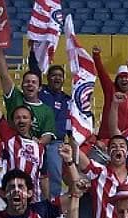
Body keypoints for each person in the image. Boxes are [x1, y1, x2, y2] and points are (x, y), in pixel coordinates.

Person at [0, 86, 47, 201]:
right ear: (13, 122)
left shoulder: (40, 148)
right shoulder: (9, 137)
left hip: (33, 201)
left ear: (31, 121)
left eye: (25, 117)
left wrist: (47, 201)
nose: (21, 120)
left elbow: (43, 177)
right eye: (17, 118)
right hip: (11, 198)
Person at [28, 49, 71, 198]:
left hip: (55, 143)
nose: (57, 78)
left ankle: (52, 204)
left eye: (60, 76)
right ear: (48, 78)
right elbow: (34, 70)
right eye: (53, 75)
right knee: (31, 170)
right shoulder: (41, 91)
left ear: (64, 79)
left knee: (54, 175)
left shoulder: (68, 100)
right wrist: (34, 50)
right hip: (37, 140)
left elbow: (71, 123)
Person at [0, 47, 55, 146]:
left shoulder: (47, 110)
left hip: (35, 149)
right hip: (12, 146)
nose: (30, 84)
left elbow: (47, 135)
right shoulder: (15, 97)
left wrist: (37, 143)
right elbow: (4, 74)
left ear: (40, 88)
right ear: (22, 86)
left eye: (34, 82)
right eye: (27, 82)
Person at [93, 48, 128, 138]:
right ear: (117, 80)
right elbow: (102, 74)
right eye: (121, 77)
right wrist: (96, 57)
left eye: (126, 77)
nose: (124, 79)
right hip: (108, 138)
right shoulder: (111, 91)